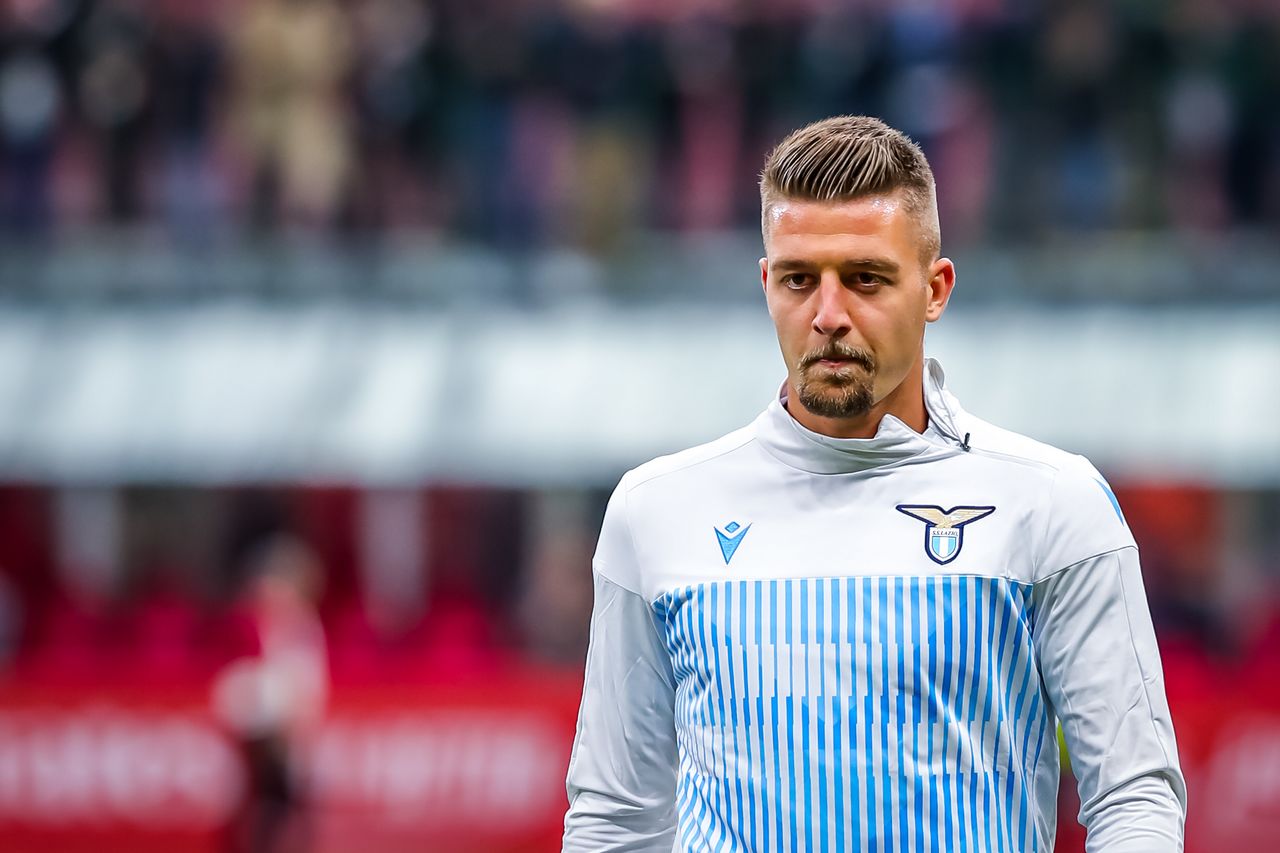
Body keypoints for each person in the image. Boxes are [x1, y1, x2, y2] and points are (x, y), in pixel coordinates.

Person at [562, 115, 1186, 851]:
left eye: (865, 278)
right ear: (766, 284)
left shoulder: (1053, 503)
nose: (828, 315)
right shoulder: (655, 511)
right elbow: (617, 818)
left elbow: (1133, 793)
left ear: (935, 288)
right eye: (799, 280)